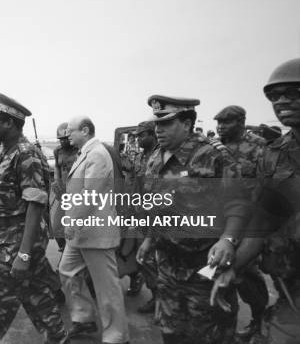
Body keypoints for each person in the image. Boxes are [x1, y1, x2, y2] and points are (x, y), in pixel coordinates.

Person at [136, 95, 251, 344]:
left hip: (204, 269)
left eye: (165, 123)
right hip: (167, 267)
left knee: (208, 334)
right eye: (156, 124)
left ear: (187, 124)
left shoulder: (212, 155)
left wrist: (228, 241)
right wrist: (148, 241)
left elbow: (238, 204)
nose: (158, 129)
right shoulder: (156, 157)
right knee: (171, 332)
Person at [211, 58, 300, 343]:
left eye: (292, 92)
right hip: (290, 283)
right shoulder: (276, 152)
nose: (281, 101)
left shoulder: (258, 147)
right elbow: (265, 218)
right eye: (274, 95)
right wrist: (230, 267)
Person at [0, 93, 68, 344]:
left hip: (17, 244)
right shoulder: (5, 151)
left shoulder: (26, 154)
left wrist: (23, 254)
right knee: (38, 300)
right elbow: (2, 196)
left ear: (10, 123)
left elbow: (35, 205)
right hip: (9, 239)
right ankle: (59, 338)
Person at [58, 116, 130, 343]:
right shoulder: (85, 153)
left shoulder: (97, 154)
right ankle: (84, 318)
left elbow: (91, 196)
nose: (68, 134)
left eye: (71, 131)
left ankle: (117, 335)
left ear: (85, 130)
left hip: (95, 232)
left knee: (107, 287)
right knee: (67, 272)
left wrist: (72, 223)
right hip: (81, 233)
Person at [213, 105, 268, 341]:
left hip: (250, 223)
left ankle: (260, 319)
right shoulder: (216, 146)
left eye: (226, 122)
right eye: (219, 122)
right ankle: (224, 327)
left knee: (246, 276)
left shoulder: (258, 146)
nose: (220, 126)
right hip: (221, 219)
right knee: (220, 274)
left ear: (241, 121)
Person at [127, 121, 159, 312]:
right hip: (141, 215)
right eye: (137, 136)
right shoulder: (139, 157)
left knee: (156, 258)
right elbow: (134, 184)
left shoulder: (162, 155)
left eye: (141, 135)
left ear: (152, 134)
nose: (138, 139)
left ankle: (161, 298)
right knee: (143, 256)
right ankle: (156, 295)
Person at [50, 122, 78, 252]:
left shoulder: (79, 150)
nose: (63, 142)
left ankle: (71, 254)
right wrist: (57, 181)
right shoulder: (57, 151)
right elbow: (57, 166)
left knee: (75, 228)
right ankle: (64, 249)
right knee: (57, 228)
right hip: (63, 194)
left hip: (78, 194)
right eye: (60, 140)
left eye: (65, 139)